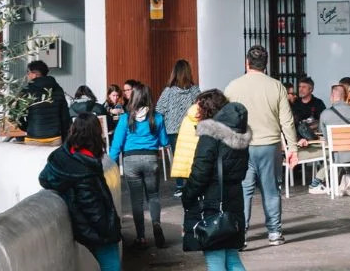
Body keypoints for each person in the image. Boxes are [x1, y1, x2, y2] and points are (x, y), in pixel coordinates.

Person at [225, 44, 298, 246]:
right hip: (270, 145)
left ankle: (242, 233)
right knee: (271, 189)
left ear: (247, 63)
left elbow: (227, 119)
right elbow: (287, 121)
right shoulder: (277, 87)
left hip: (242, 145)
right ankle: (274, 232)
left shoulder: (233, 86)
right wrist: (293, 148)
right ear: (265, 65)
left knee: (244, 189)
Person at [39, 108, 124, 271]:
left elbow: (45, 178)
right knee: (112, 266)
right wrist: (110, 231)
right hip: (97, 231)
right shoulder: (86, 168)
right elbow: (92, 206)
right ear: (95, 134)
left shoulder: (63, 156)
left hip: (83, 228)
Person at [180, 90, 253, 271]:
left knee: (215, 259)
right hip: (234, 198)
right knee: (231, 255)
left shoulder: (210, 135)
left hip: (212, 201)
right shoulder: (238, 134)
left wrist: (187, 196)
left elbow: (200, 172)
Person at [109, 83, 172, 247]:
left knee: (136, 200)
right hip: (151, 159)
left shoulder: (125, 118)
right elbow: (164, 141)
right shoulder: (157, 117)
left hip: (130, 161)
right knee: (153, 196)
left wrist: (109, 164)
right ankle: (157, 225)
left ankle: (141, 237)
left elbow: (116, 144)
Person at [315, 83, 350, 194]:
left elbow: (325, 137)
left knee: (335, 153)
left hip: (337, 155)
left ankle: (346, 178)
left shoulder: (325, 114)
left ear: (332, 96)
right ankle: (348, 176)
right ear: (345, 96)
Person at [19, 60, 70, 141]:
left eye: (28, 73)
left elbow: (18, 115)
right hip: (55, 137)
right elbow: (65, 117)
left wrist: (27, 127)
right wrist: (64, 139)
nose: (27, 76)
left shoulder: (26, 91)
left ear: (34, 74)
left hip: (33, 137)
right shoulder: (57, 89)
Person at [157, 59, 200, 150]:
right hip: (191, 131)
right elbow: (201, 109)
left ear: (174, 73)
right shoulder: (194, 90)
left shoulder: (168, 91)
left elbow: (159, 110)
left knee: (175, 161)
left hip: (171, 133)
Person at [291, 77, 326, 141]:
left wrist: (309, 127)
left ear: (311, 89)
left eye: (304, 87)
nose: (300, 89)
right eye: (299, 87)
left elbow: (322, 121)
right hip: (298, 137)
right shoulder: (295, 103)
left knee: (303, 127)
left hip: (313, 134)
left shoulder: (318, 103)